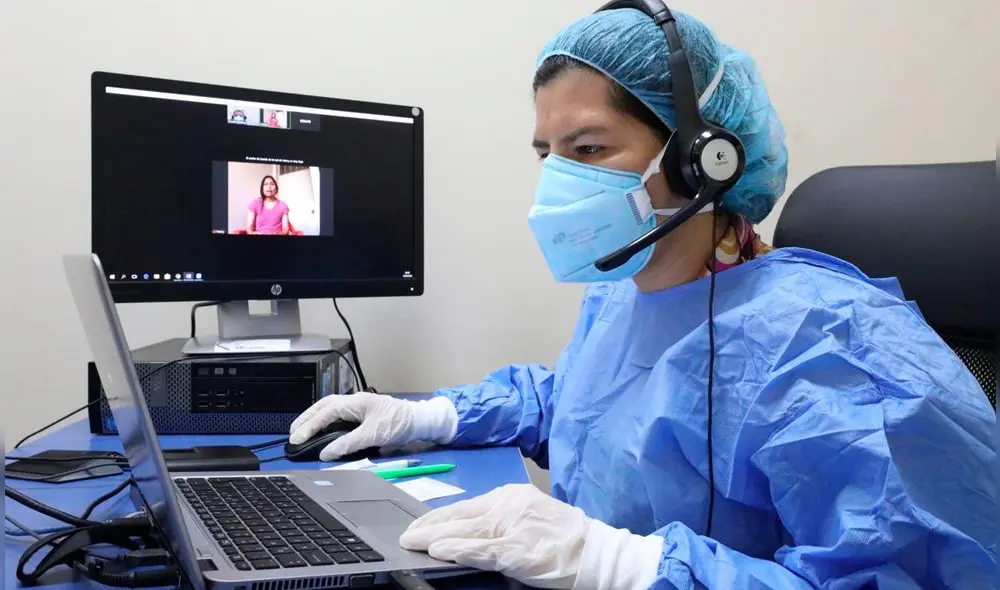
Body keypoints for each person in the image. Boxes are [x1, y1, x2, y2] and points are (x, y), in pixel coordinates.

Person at [289, 7, 996, 590]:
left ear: (704, 159)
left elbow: (903, 576)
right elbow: (582, 402)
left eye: (589, 150)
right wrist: (429, 415)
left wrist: (626, 565)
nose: (558, 182)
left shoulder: (830, 346)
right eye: (547, 154)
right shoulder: (626, 292)